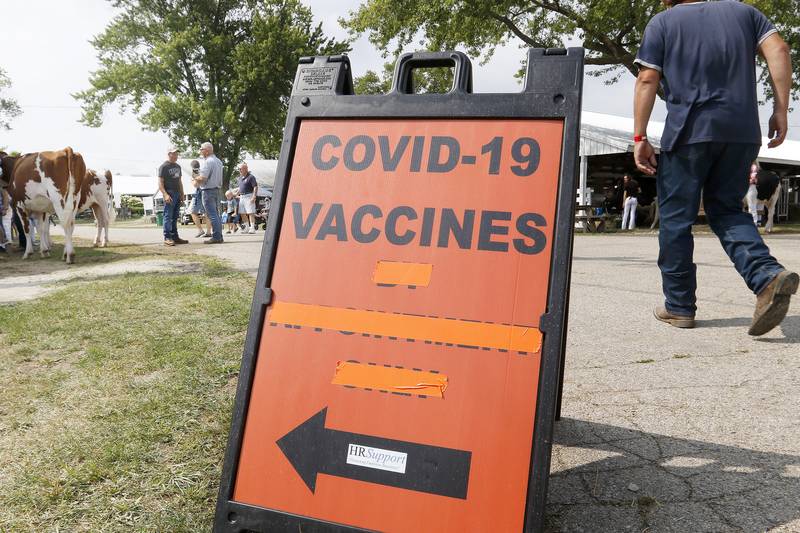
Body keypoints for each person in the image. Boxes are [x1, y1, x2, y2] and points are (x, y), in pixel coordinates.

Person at [633, 0, 797, 336]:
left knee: (677, 219)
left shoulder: (663, 22)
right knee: (727, 211)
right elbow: (779, 48)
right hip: (741, 132)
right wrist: (782, 110)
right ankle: (766, 277)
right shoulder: (745, 13)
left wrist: (640, 136)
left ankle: (678, 306)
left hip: (688, 134)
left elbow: (648, 79)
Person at [157, 147, 188, 246]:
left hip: (177, 193)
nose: (175, 156)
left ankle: (175, 237)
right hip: (169, 193)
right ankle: (167, 237)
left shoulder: (178, 167)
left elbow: (179, 181)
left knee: (175, 217)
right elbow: (160, 183)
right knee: (168, 216)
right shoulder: (163, 167)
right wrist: (165, 194)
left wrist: (182, 194)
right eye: (173, 153)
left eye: (176, 154)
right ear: (169, 154)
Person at [196, 142, 224, 244]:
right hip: (217, 190)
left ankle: (216, 237)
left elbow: (203, 178)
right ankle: (219, 236)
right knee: (216, 214)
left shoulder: (208, 161)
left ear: (207, 151)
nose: (200, 151)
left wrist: (195, 178)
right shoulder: (218, 161)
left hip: (208, 190)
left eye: (201, 149)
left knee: (212, 214)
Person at [189, 160, 211, 238]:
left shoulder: (194, 173)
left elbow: (196, 185)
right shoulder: (202, 171)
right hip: (204, 192)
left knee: (192, 211)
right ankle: (208, 231)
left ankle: (201, 230)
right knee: (206, 212)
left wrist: (192, 180)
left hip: (198, 193)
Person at [236, 162, 258, 233]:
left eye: (240, 169)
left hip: (249, 196)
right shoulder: (239, 178)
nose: (239, 170)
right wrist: (236, 194)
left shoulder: (251, 177)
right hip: (241, 197)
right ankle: (247, 228)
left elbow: (255, 186)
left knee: (250, 212)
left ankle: (252, 228)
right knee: (242, 213)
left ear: (245, 169)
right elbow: (240, 188)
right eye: (239, 169)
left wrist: (254, 196)